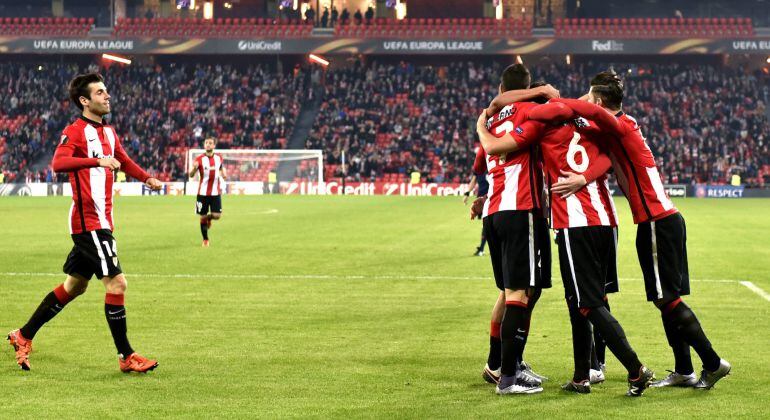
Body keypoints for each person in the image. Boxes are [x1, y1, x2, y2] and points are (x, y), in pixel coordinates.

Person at [551, 71, 731, 390]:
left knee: (668, 301)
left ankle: (714, 363)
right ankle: (684, 370)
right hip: (659, 220)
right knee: (665, 298)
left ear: (600, 102)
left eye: (591, 98)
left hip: (657, 222)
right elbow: (592, 129)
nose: (587, 101)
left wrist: (555, 99)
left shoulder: (618, 126)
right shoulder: (622, 125)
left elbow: (588, 114)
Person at [478, 90, 655, 396]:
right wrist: (586, 174)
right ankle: (583, 373)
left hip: (575, 222)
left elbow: (519, 127)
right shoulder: (591, 127)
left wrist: (499, 118)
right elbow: (607, 157)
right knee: (583, 299)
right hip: (606, 219)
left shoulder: (543, 126)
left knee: (588, 303)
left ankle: (635, 369)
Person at [7, 73, 162, 372]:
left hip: (101, 219)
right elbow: (59, 163)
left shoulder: (108, 132)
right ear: (84, 100)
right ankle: (126, 357)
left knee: (75, 286)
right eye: (101, 92)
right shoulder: (75, 131)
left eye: (106, 91)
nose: (107, 96)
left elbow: (123, 159)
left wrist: (147, 178)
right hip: (89, 221)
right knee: (117, 282)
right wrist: (96, 161)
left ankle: (23, 334)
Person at [469, 64, 555, 395]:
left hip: (494, 212)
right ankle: (508, 374)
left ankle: (500, 364)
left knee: (511, 292)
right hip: (522, 209)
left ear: (502, 87)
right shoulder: (533, 110)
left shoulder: (490, 121)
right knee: (521, 293)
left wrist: (482, 195)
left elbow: (481, 163)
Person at [189, 137, 227, 247]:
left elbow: (221, 168)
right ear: (204, 145)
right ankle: (205, 239)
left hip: (215, 192)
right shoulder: (199, 159)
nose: (208, 145)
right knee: (202, 216)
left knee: (217, 215)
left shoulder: (219, 158)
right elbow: (190, 175)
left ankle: (210, 218)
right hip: (202, 193)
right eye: (206, 143)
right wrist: (194, 169)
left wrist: (224, 173)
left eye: (210, 143)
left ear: (214, 146)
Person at [465, 145, 489, 256]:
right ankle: (482, 248)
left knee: (488, 224)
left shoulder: (491, 163)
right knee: (487, 224)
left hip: (491, 198)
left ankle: (482, 248)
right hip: (481, 200)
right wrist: (467, 193)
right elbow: (473, 181)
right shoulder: (478, 168)